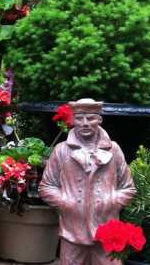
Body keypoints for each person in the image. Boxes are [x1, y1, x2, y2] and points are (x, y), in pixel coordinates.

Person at [39, 98, 136, 265]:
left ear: (99, 119)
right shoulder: (62, 150)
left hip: (107, 230)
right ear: (72, 120)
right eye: (79, 118)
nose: (85, 123)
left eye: (90, 118)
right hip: (73, 230)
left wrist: (111, 200)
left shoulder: (114, 149)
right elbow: (46, 186)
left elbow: (128, 188)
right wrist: (66, 202)